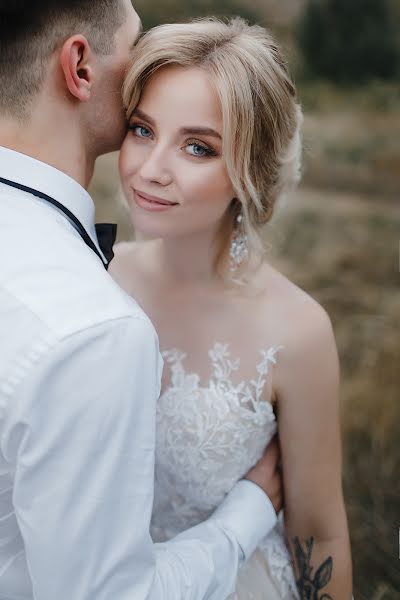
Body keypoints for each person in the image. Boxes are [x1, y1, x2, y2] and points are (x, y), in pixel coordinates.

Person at [0, 2, 284, 599]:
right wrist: (246, 517)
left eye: (199, 147)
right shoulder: (94, 330)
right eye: (136, 37)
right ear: (80, 65)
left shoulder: (296, 329)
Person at [110, 17, 353, 599]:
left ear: (251, 171)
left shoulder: (298, 331)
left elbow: (319, 535)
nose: (151, 168)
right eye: (142, 130)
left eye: (198, 147)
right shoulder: (98, 275)